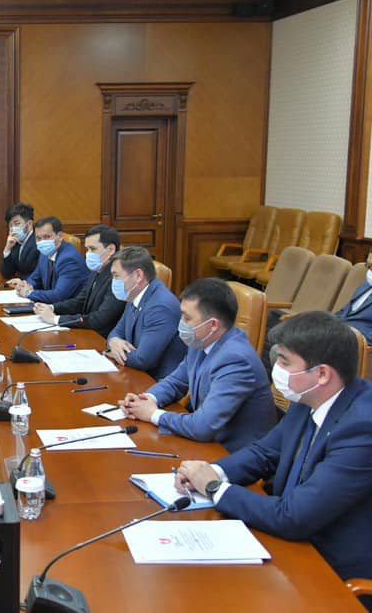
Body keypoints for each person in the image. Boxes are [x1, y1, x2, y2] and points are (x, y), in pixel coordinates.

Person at [174, 312, 372, 597]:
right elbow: (265, 452)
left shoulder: (362, 428)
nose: (275, 369)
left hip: (330, 570)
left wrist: (215, 488)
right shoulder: (312, 396)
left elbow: (294, 517)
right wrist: (211, 472)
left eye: (284, 361)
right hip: (292, 542)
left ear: (322, 374)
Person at [119, 278, 276, 452]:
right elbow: (176, 381)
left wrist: (153, 414)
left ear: (213, 325)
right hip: (206, 442)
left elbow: (203, 426)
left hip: (232, 453)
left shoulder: (236, 360)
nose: (181, 323)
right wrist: (146, 399)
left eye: (187, 318)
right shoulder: (202, 340)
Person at [105, 246, 185, 381]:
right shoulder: (134, 294)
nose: (113, 281)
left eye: (116, 276)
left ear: (138, 276)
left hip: (158, 382)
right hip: (136, 374)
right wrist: (113, 342)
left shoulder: (160, 306)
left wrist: (113, 351)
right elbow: (117, 332)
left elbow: (143, 359)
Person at [34, 224, 125, 337]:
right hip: (88, 332)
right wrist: (52, 307)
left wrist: (55, 319)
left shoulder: (118, 278)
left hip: (103, 338)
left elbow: (100, 319)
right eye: (87, 249)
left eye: (93, 249)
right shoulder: (97, 269)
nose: (88, 254)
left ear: (111, 249)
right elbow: (80, 301)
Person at [6, 216, 88, 304]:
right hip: (49, 306)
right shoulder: (45, 252)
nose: (42, 242)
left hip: (69, 308)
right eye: (38, 238)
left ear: (60, 236)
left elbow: (58, 295)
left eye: (47, 237)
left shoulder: (69, 259)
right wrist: (24, 285)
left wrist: (28, 293)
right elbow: (36, 277)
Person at [0, 202, 39, 281]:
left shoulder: (38, 242)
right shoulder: (16, 242)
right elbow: (7, 274)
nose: (13, 228)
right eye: (10, 225)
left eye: (17, 224)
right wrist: (7, 249)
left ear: (30, 224)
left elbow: (40, 275)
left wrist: (23, 282)